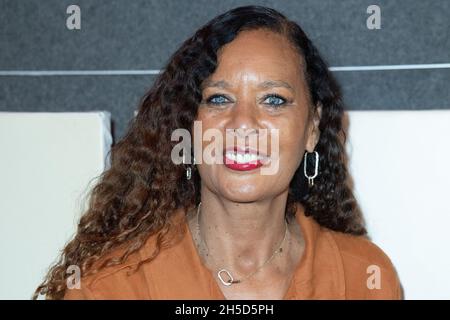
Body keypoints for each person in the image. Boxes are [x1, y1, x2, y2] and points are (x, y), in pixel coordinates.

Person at [34, 5, 402, 300]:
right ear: (189, 127)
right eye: (219, 99)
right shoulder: (110, 289)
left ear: (312, 129)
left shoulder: (365, 280)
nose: (242, 124)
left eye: (274, 100)